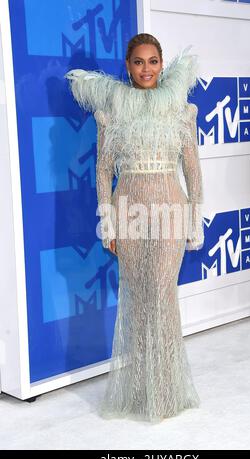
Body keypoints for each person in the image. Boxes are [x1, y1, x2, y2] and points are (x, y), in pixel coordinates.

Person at [65, 33, 204, 423]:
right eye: (139, 62)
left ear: (162, 64)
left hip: (170, 212)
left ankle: (165, 391)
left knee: (161, 295)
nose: (146, 69)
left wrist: (195, 220)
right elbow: (103, 171)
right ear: (127, 66)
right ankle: (143, 388)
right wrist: (107, 221)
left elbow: (192, 171)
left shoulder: (180, 110)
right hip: (128, 213)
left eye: (153, 61)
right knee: (139, 300)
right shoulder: (112, 112)